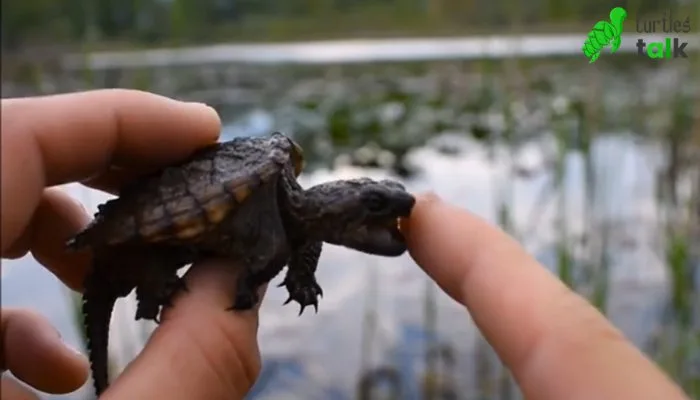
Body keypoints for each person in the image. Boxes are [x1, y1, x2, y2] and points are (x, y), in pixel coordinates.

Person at [0, 89, 690, 400]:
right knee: (162, 283)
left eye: (383, 206)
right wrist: (172, 295)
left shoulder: (299, 220)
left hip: (201, 223)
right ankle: (154, 302)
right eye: (375, 205)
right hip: (139, 248)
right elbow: (287, 230)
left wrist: (297, 273)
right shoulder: (281, 195)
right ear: (342, 206)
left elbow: (303, 236)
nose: (387, 214)